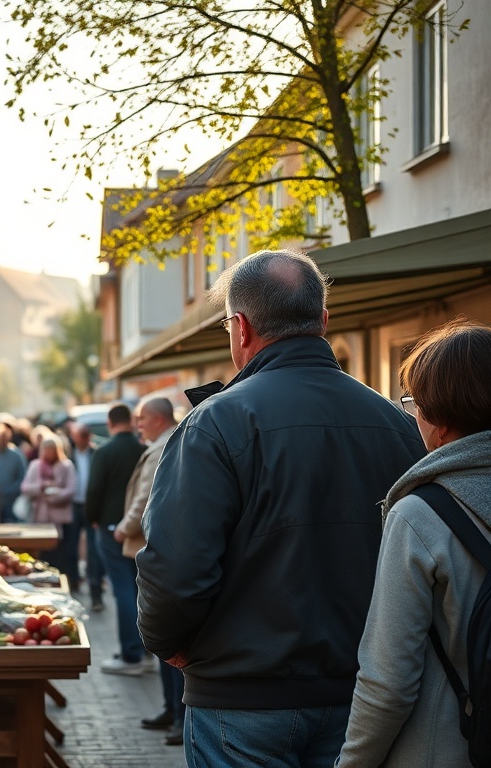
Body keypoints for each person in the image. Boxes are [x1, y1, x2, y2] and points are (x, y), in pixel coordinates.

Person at [137, 250, 427, 765]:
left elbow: (176, 567)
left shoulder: (215, 424)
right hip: (365, 695)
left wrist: (169, 643)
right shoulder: (399, 425)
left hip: (242, 698)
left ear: (240, 328)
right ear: (323, 321)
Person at [336, 319, 491, 767]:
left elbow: (388, 682)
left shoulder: (422, 514)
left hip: (447, 746)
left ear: (438, 418)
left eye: (413, 404)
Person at [114, 397, 183, 743]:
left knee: (165, 634)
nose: (137, 424)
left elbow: (145, 498)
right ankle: (172, 709)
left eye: (141, 418)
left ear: (156, 419)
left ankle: (179, 714)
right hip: (157, 550)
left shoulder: (162, 447)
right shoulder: (166, 441)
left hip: (154, 550)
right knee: (162, 637)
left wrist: (124, 527)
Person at [86, 403, 150, 676]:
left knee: (122, 589)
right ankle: (146, 649)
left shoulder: (105, 452)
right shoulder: (144, 450)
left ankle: (130, 654)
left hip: (113, 528)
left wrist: (91, 519)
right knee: (142, 589)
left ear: (111, 424)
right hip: (142, 527)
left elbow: (94, 490)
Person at [70, 423, 104, 608]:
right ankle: (73, 583)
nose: (81, 439)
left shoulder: (96, 454)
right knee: (71, 546)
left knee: (93, 551)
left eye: (84, 435)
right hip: (73, 506)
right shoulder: (69, 455)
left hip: (91, 507)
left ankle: (95, 592)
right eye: (78, 435)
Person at [20, 434, 76, 530]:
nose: (48, 453)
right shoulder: (35, 466)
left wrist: (54, 494)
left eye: (51, 450)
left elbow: (71, 490)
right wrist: (40, 486)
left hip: (59, 515)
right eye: (46, 449)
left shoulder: (66, 466)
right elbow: (25, 487)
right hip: (38, 515)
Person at [0, 423, 28, 523]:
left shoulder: (16, 456)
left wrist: (11, 490)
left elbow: (22, 477)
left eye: (4, 438)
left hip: (11, 501)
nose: (1, 441)